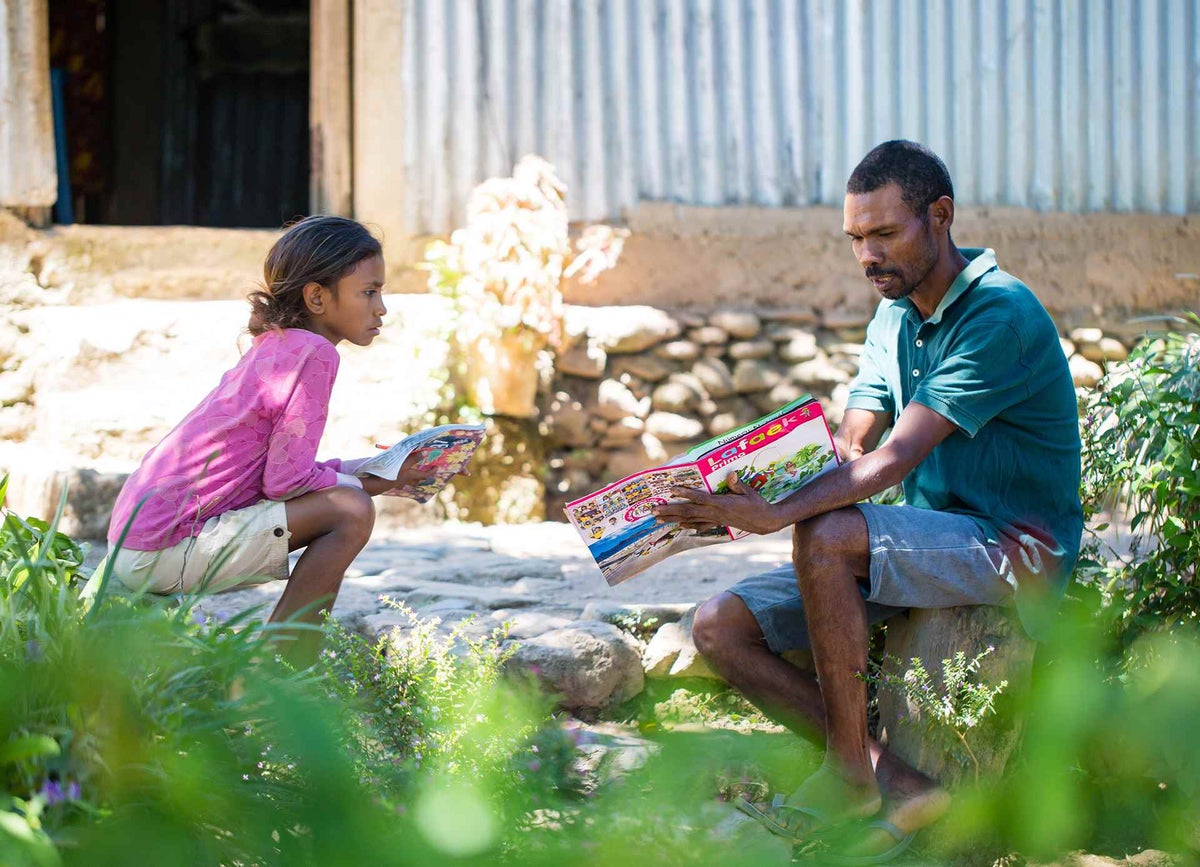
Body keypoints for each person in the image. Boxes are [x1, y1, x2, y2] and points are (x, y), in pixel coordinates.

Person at [653, 140, 1082, 859]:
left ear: (939, 216)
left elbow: (894, 458)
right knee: (719, 626)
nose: (867, 255)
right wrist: (750, 483)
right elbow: (856, 441)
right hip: (933, 535)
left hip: (1014, 550)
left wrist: (777, 515)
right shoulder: (895, 314)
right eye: (855, 238)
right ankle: (900, 781)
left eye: (883, 233)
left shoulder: (1000, 315)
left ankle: (849, 775)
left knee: (826, 534)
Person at [104, 216, 449, 667]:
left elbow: (290, 470)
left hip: (138, 542)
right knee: (351, 511)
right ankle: (280, 673)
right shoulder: (313, 353)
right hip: (166, 547)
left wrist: (385, 468)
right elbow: (288, 482)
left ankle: (282, 668)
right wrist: (373, 484)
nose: (381, 308)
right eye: (369, 292)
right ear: (317, 297)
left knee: (348, 500)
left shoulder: (280, 345)